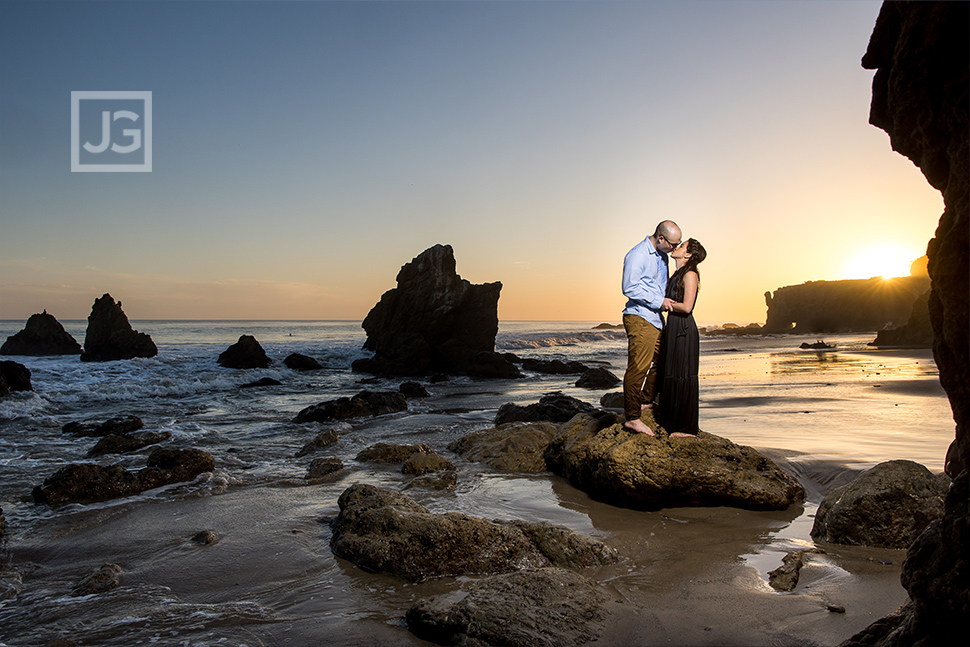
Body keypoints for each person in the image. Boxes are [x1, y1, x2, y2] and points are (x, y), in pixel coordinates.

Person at [621, 220, 682, 435]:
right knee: (638, 367)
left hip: (655, 319)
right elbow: (629, 287)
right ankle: (632, 417)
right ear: (661, 238)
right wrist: (660, 302)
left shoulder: (663, 255)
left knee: (662, 362)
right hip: (640, 317)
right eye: (673, 244)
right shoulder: (638, 254)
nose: (675, 248)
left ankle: (645, 401)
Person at [655, 238, 707, 438]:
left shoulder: (691, 274)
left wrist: (663, 303)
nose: (677, 247)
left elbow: (686, 307)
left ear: (688, 255)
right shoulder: (678, 273)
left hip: (684, 327)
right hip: (674, 325)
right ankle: (672, 421)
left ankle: (686, 428)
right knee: (671, 372)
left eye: (682, 245)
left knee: (683, 375)